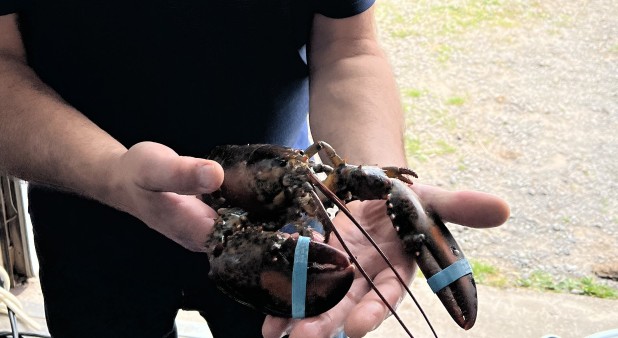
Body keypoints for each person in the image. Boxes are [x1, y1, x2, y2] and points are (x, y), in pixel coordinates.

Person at [0, 1, 510, 338]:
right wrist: (109, 171)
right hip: (88, 211)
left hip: (286, 238)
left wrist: (372, 180)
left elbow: (349, 47)